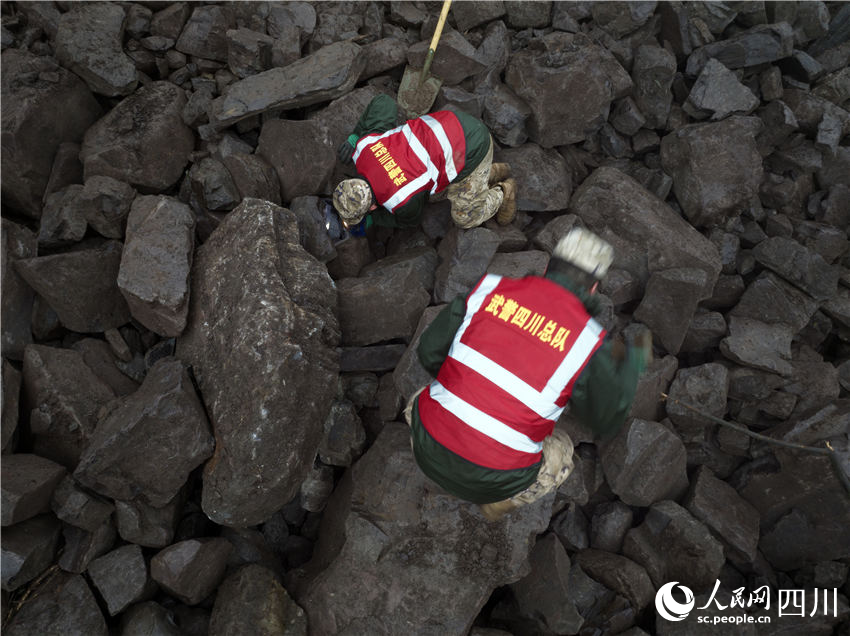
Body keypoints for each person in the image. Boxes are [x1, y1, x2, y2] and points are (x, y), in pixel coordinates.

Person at [404, 227, 652, 520]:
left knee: (425, 394)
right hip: (497, 478)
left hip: (425, 446)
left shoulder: (490, 290)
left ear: (548, 267)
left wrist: (461, 382)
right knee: (562, 452)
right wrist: (632, 363)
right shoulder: (587, 341)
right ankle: (501, 500)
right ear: (594, 288)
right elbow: (606, 418)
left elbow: (429, 352)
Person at [333, 94, 516, 232]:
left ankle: (503, 192)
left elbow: (409, 221)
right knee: (433, 187)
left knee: (464, 217)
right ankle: (490, 171)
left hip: (473, 147)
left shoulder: (401, 201)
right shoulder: (363, 148)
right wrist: (355, 135)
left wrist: (376, 220)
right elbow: (384, 101)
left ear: (372, 207)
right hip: (452, 121)